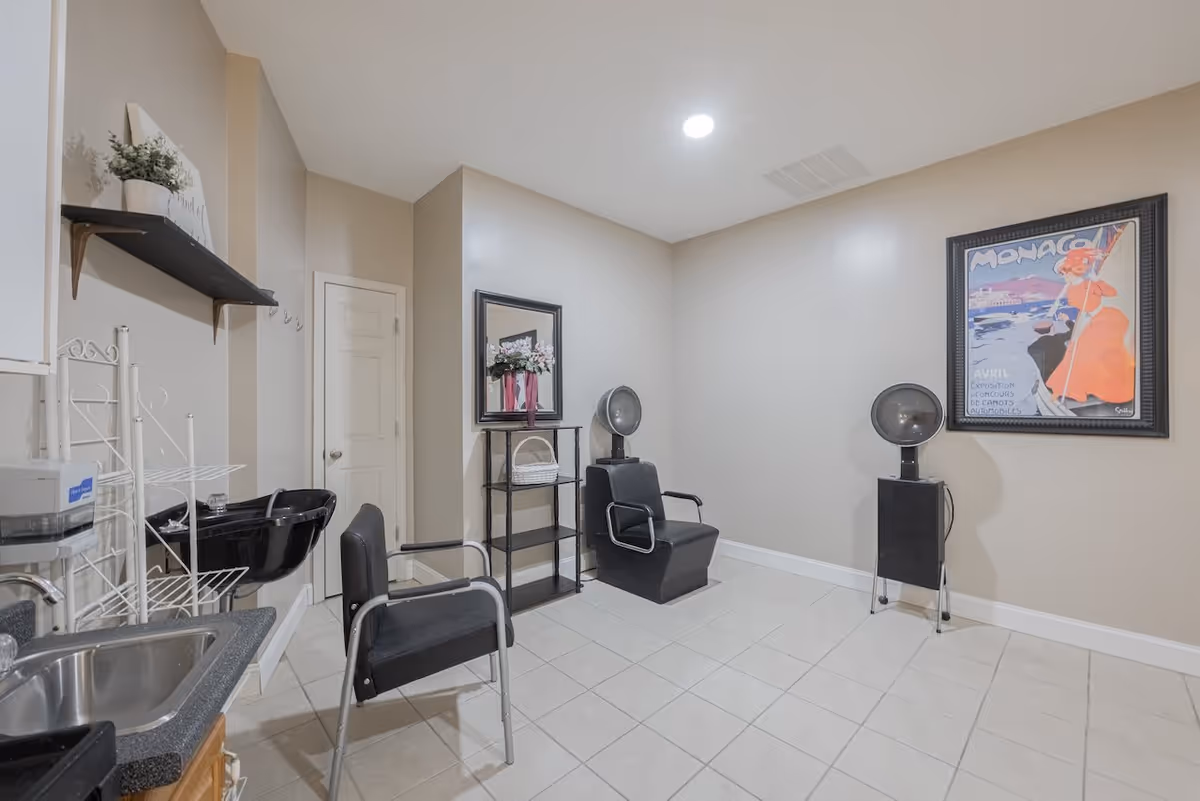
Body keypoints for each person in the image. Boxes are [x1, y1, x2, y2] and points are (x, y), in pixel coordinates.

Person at [1045, 247, 1135, 404]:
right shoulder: (1071, 289)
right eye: (1063, 273)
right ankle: (1066, 389)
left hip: (1106, 319)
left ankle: (1105, 388)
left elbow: (1112, 292)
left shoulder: (1088, 284)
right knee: (1076, 352)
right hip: (1090, 321)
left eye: (1066, 272)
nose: (1065, 276)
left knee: (1094, 353)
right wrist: (1067, 318)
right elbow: (1081, 307)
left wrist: (1096, 281)